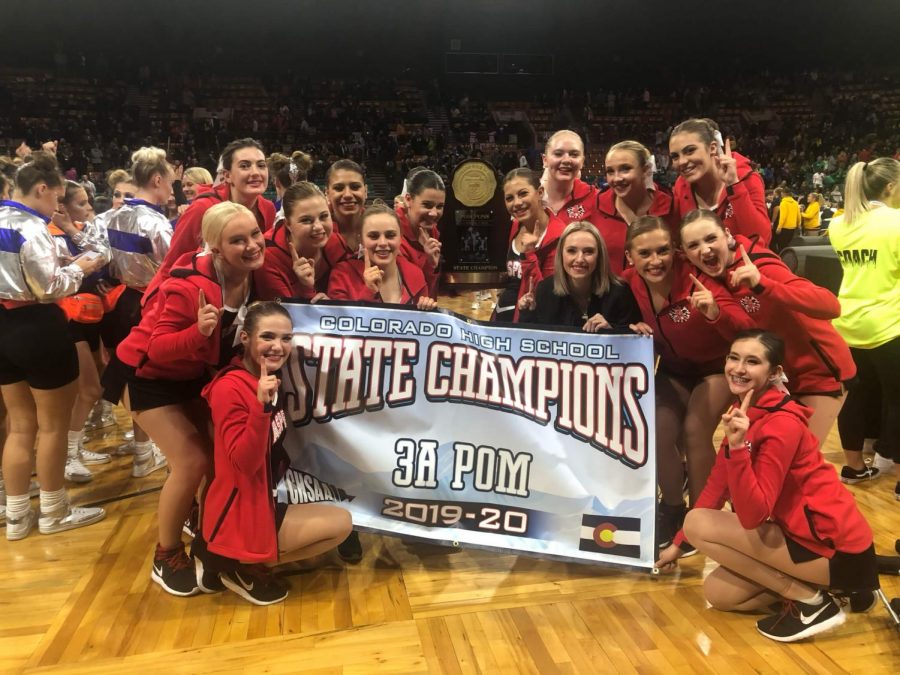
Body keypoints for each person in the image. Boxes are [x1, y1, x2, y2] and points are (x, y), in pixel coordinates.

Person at [656, 330, 878, 643]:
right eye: (733, 357)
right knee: (718, 593)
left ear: (774, 373)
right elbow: (716, 486)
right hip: (800, 537)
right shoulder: (746, 410)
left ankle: (810, 602)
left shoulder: (781, 423)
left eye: (752, 361)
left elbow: (753, 516)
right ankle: (831, 591)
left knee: (697, 521)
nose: (738, 368)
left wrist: (738, 449)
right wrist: (677, 545)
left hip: (836, 548)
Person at [111, 201, 265, 596]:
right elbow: (159, 348)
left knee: (221, 454)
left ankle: (207, 533)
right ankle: (166, 555)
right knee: (191, 460)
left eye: (254, 234)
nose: (251, 245)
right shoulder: (190, 285)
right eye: (237, 240)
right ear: (214, 248)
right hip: (146, 374)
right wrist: (198, 333)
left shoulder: (253, 277)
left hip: (190, 376)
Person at [195, 301, 353, 604]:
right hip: (239, 514)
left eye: (286, 338)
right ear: (245, 338)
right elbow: (244, 463)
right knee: (340, 524)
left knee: (338, 519)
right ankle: (240, 565)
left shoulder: (263, 378)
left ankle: (238, 561)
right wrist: (260, 408)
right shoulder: (230, 388)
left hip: (258, 499)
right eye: (267, 336)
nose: (278, 346)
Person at [624, 216, 754, 545]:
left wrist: (715, 313)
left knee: (695, 431)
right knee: (657, 429)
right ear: (630, 257)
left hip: (716, 366)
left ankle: (701, 518)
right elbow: (615, 322)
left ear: (676, 252)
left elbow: (745, 326)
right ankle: (671, 509)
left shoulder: (697, 277)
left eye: (663, 251)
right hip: (673, 368)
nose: (655, 261)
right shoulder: (626, 285)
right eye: (645, 253)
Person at [679, 209, 855, 446]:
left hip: (820, 373)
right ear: (686, 254)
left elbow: (831, 306)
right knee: (764, 456)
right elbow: (747, 335)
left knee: (797, 462)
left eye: (711, 238)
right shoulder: (712, 282)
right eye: (694, 245)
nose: (705, 249)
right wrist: (716, 315)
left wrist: (764, 285)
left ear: (727, 235)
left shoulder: (760, 266)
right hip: (778, 377)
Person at [0, 152, 106, 540]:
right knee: (52, 427)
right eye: (56, 198)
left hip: (2, 328)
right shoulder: (33, 227)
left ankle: (14, 517)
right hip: (38, 327)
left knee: (19, 425)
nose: (56, 207)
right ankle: (53, 510)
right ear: (41, 189)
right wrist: (81, 268)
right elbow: (50, 287)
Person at [102, 146, 174, 478]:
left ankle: (142, 448)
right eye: (170, 183)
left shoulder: (111, 216)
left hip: (120, 303)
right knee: (149, 382)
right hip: (151, 305)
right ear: (156, 179)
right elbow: (172, 270)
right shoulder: (156, 223)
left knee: (131, 380)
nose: (171, 190)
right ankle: (149, 451)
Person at [830, 158, 900, 492]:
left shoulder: (838, 224)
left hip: (849, 324)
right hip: (890, 323)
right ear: (890, 187)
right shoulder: (896, 222)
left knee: (854, 399)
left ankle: (854, 468)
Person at [51, 181, 113, 481]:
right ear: (61, 206)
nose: (89, 208)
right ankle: (67, 456)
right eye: (82, 203)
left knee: (92, 387)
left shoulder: (79, 229)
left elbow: (104, 257)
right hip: (68, 319)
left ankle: (73, 447)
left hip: (92, 316)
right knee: (88, 390)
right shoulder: (49, 234)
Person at [153, 138, 275, 288]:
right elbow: (172, 265)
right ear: (227, 176)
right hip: (198, 299)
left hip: (241, 297)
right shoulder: (202, 209)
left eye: (261, 165)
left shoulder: (268, 209)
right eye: (245, 166)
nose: (256, 172)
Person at [518, 221, 640, 331]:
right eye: (571, 251)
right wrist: (527, 313)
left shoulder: (620, 292)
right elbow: (534, 344)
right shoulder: (545, 289)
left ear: (599, 256)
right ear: (561, 255)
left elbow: (633, 343)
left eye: (588, 251)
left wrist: (611, 332)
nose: (580, 259)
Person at [669, 119, 771, 245]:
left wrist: (734, 185)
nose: (682, 161)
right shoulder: (681, 186)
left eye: (690, 150)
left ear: (712, 148)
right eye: (675, 156)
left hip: (745, 262)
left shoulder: (746, 179)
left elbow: (762, 239)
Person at [329, 203, 438, 310]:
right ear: (361, 239)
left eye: (390, 235)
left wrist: (427, 308)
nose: (382, 243)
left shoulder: (415, 274)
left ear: (400, 238)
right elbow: (339, 322)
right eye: (373, 236)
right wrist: (369, 292)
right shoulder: (342, 275)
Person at [589, 140, 677, 274]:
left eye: (625, 169)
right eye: (610, 171)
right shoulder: (594, 209)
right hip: (609, 293)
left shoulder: (672, 208)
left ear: (645, 170)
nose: (616, 178)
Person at [495, 168, 561, 322]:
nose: (517, 203)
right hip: (503, 317)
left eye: (523, 194)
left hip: (530, 325)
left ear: (539, 192)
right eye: (509, 198)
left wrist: (529, 255)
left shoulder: (559, 237)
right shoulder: (516, 225)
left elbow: (547, 297)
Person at [254, 182, 332, 302]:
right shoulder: (267, 258)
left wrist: (335, 304)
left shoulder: (336, 242)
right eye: (306, 220)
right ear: (288, 224)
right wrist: (307, 289)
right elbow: (283, 316)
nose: (318, 227)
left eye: (323, 216)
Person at [396, 168, 443, 297]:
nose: (434, 213)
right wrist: (429, 265)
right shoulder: (392, 234)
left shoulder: (432, 231)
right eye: (427, 205)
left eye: (439, 206)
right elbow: (411, 295)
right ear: (408, 199)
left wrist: (432, 265)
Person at [320, 159, 368, 284]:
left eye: (355, 187)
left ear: (366, 191)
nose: (347, 194)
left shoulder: (381, 229)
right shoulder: (317, 233)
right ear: (327, 193)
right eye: (339, 188)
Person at [541, 130, 598, 225]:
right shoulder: (530, 198)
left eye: (574, 154)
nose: (566, 160)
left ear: (582, 161)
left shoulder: (596, 198)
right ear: (545, 160)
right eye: (558, 154)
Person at [773, 188, 801, 252]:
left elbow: (783, 216)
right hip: (793, 227)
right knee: (788, 245)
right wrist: (799, 224)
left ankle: (782, 259)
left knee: (781, 246)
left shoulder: (783, 203)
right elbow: (798, 215)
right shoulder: (795, 203)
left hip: (784, 228)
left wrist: (779, 227)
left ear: (783, 194)